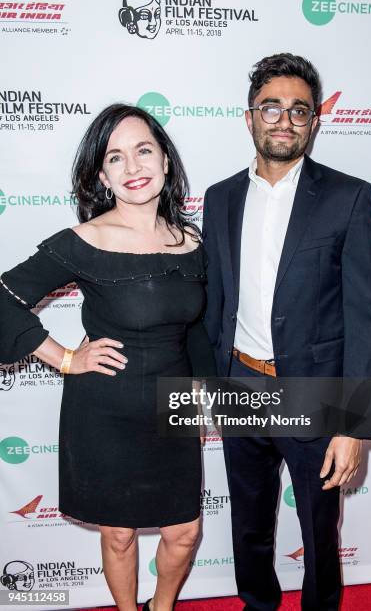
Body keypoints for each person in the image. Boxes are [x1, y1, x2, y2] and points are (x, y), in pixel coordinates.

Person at [0, 103, 215, 611]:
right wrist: (64, 358)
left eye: (144, 151)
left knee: (183, 531)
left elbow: (199, 328)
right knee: (119, 536)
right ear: (102, 175)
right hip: (106, 412)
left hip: (174, 410)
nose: (133, 167)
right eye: (116, 158)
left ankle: (161, 607)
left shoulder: (193, 241)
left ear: (165, 159)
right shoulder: (84, 241)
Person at [203, 54, 371, 610]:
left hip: (315, 396)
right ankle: (257, 605)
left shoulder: (348, 197)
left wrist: (353, 424)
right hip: (240, 387)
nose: (284, 120)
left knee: (319, 535)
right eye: (272, 108)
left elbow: (369, 319)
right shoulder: (220, 198)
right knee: (250, 526)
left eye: (299, 110)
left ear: (314, 121)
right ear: (249, 117)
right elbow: (214, 302)